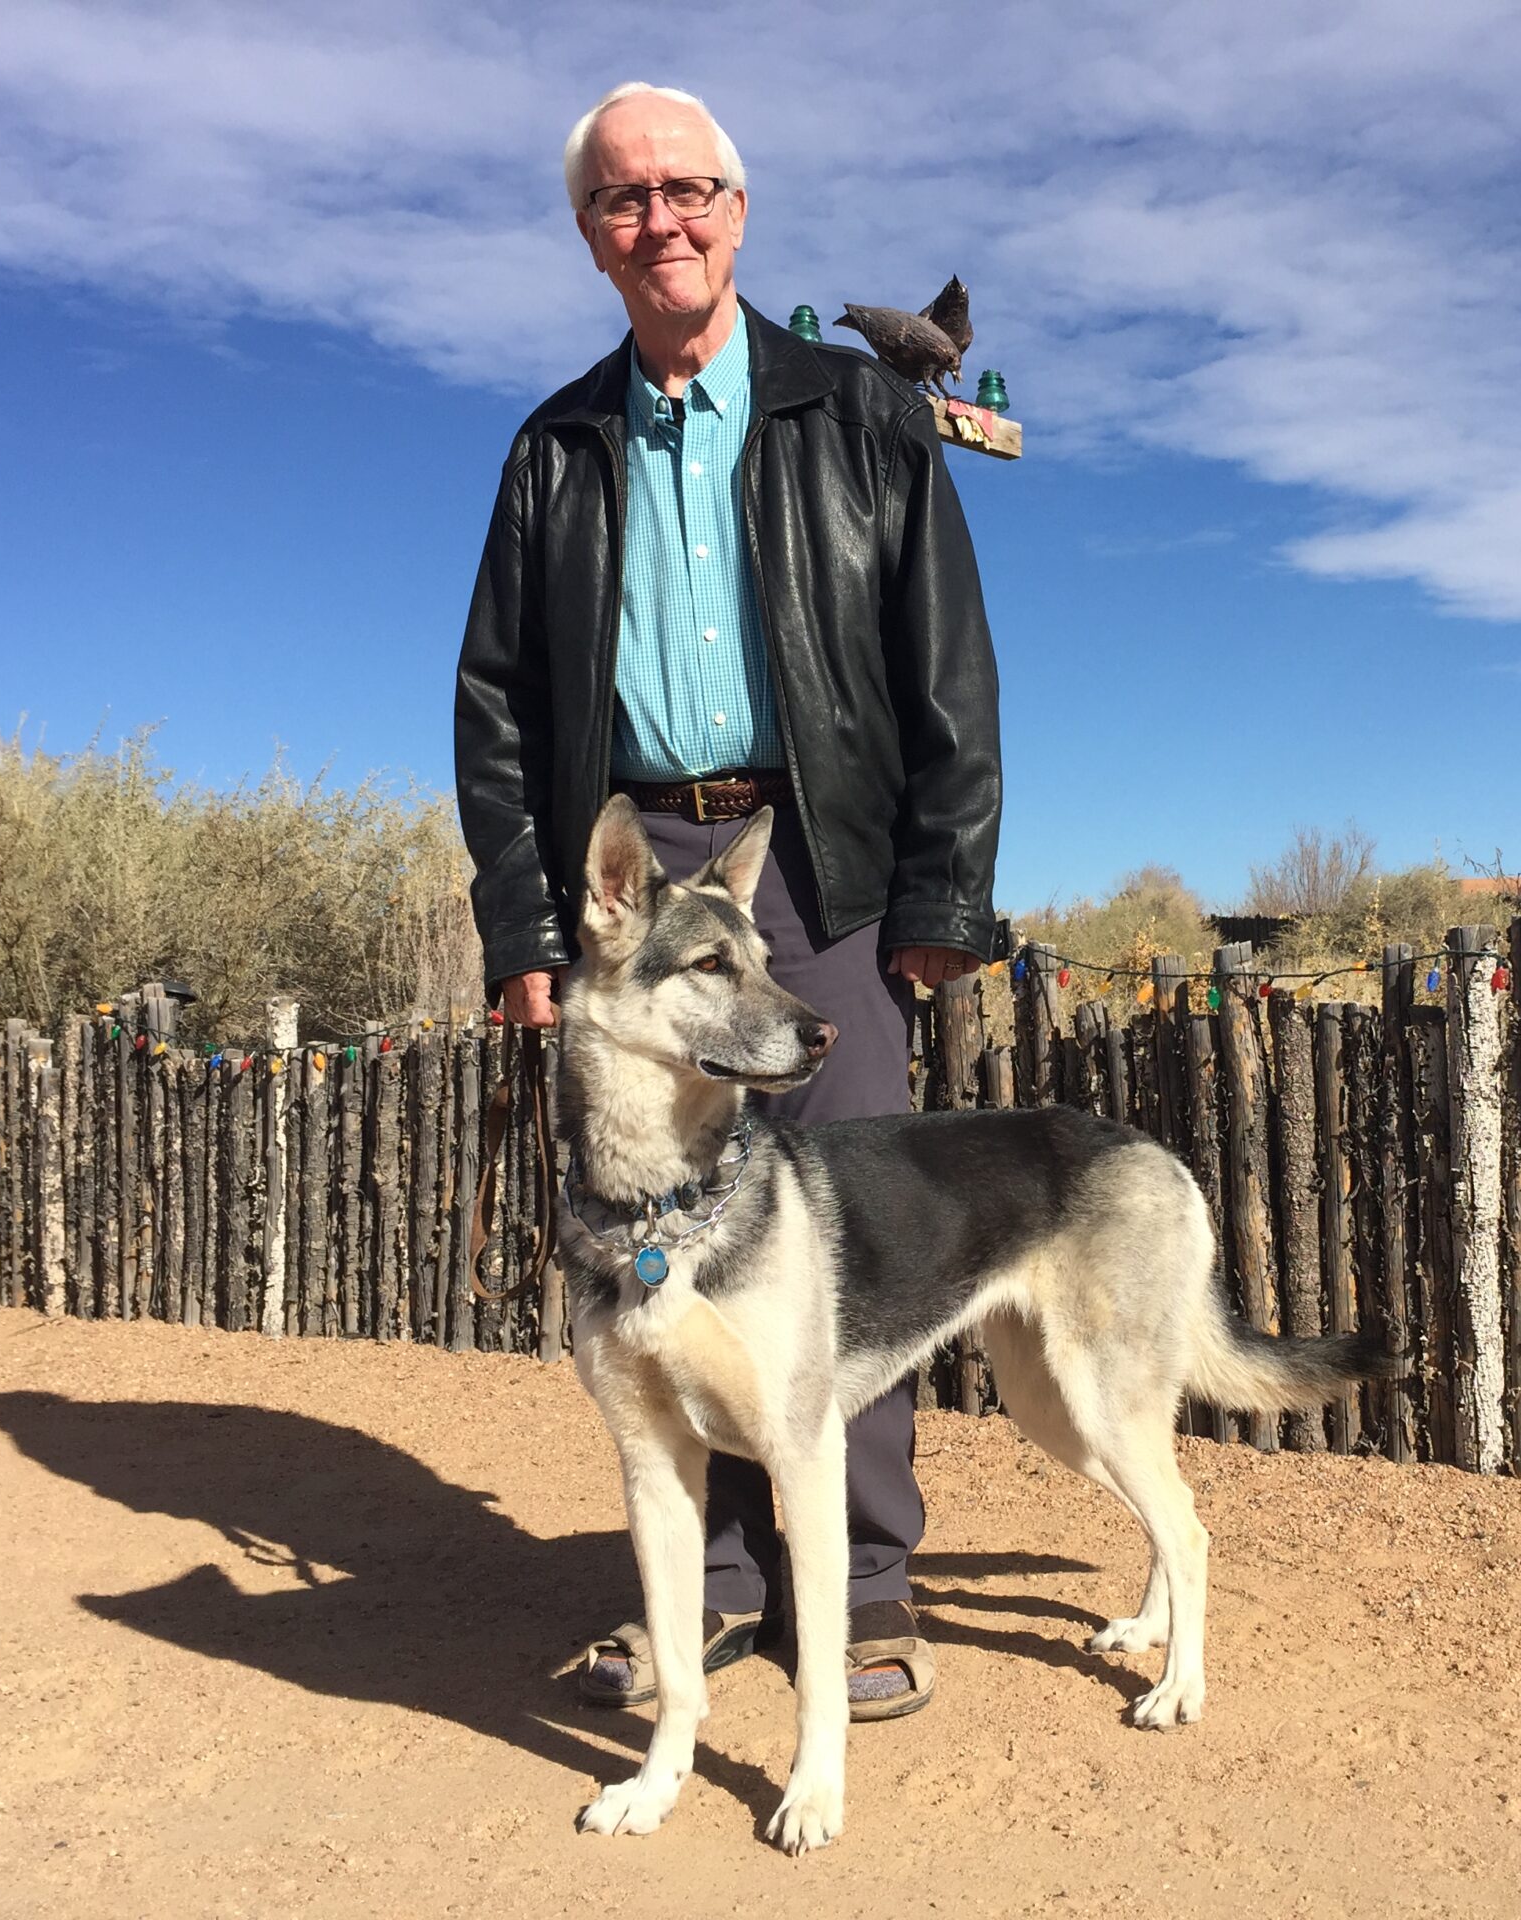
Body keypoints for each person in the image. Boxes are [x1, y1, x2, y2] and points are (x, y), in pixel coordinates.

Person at [452, 80, 1001, 1721]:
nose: (663, 220)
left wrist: (937, 895)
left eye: (690, 190)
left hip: (814, 867)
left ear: (740, 215)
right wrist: (522, 924)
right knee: (647, 1235)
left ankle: (873, 1586)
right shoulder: (556, 445)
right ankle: (700, 1599)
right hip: (629, 888)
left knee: (838, 1238)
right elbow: (495, 706)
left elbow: (949, 669)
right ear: (590, 236)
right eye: (627, 199)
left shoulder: (860, 414)